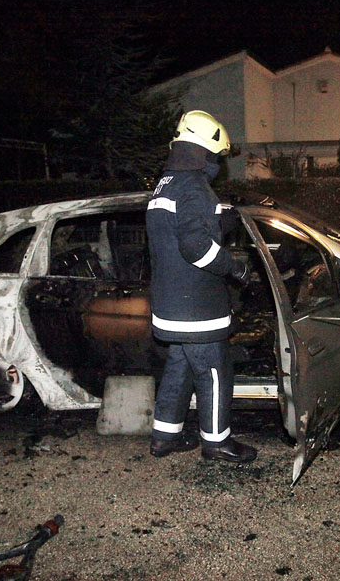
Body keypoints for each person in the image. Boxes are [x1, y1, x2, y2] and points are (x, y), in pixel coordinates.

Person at [145, 110, 257, 463]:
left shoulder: (167, 183)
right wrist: (235, 268)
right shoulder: (194, 187)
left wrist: (221, 220)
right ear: (207, 151)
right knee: (214, 371)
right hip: (197, 310)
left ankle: (164, 438)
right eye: (217, 156)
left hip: (170, 306)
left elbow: (177, 232)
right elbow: (195, 248)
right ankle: (217, 443)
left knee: (178, 366)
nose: (218, 164)